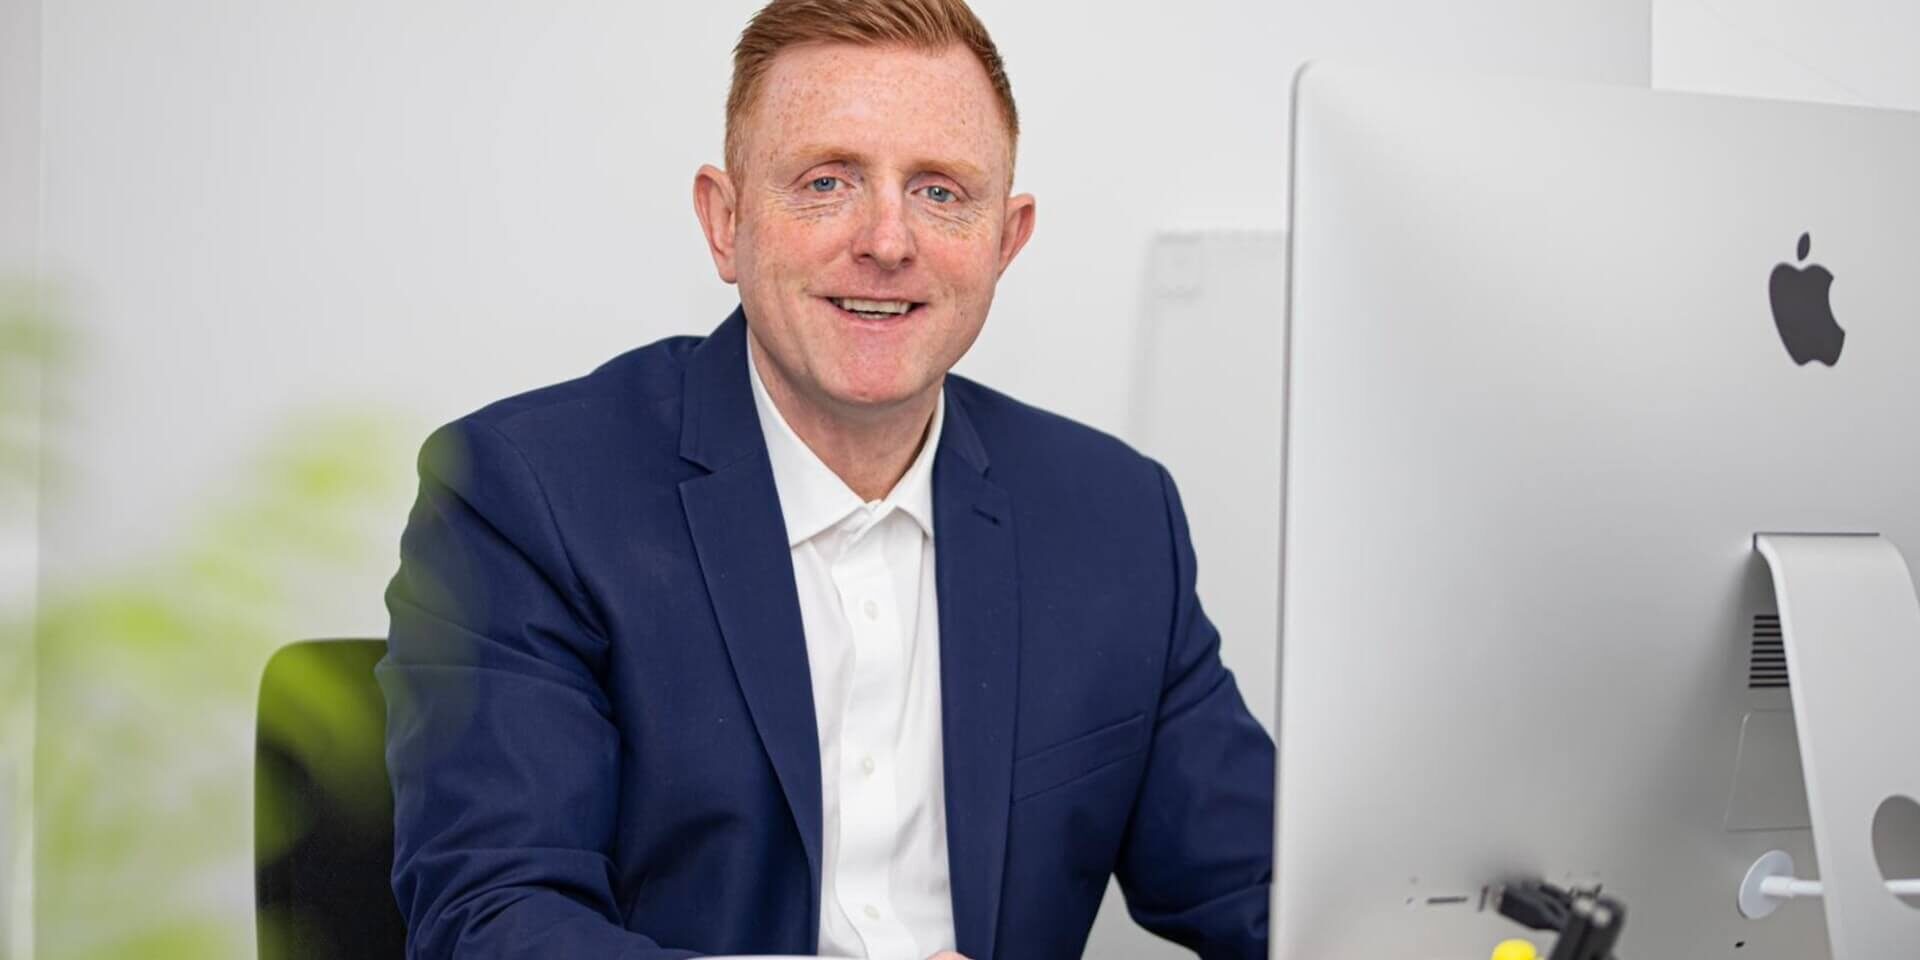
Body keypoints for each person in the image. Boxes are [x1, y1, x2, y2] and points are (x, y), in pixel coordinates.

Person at [379, 1, 1274, 957]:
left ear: (1006, 242)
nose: (888, 241)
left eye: (940, 192)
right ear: (725, 224)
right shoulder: (527, 498)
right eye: (826, 181)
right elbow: (496, 920)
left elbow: (1270, 895)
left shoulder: (1116, 519)